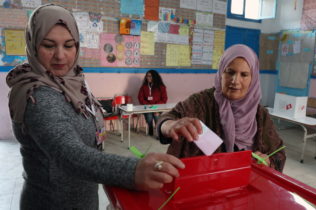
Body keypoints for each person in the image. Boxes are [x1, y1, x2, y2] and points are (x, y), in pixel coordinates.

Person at [6, 4, 184, 210]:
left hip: (82, 197)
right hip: (51, 202)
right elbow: (69, 154)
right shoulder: (37, 96)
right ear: (33, 44)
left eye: (69, 45)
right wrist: (132, 171)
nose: (60, 56)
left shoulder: (73, 82)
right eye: (48, 45)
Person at [157, 44, 286, 172]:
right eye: (230, 72)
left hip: (246, 185)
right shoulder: (201, 103)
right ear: (221, 73)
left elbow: (278, 154)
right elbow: (167, 119)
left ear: (253, 79)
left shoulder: (260, 115)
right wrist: (169, 126)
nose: (235, 80)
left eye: (244, 75)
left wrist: (268, 161)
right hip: (202, 183)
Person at [138, 70, 168, 136]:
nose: (148, 78)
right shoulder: (144, 87)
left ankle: (158, 132)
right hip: (147, 107)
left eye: (150, 76)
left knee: (156, 115)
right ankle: (150, 128)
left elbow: (164, 99)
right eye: (147, 76)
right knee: (149, 116)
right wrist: (147, 104)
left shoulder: (161, 87)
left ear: (154, 77)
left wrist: (156, 106)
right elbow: (140, 98)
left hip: (158, 107)